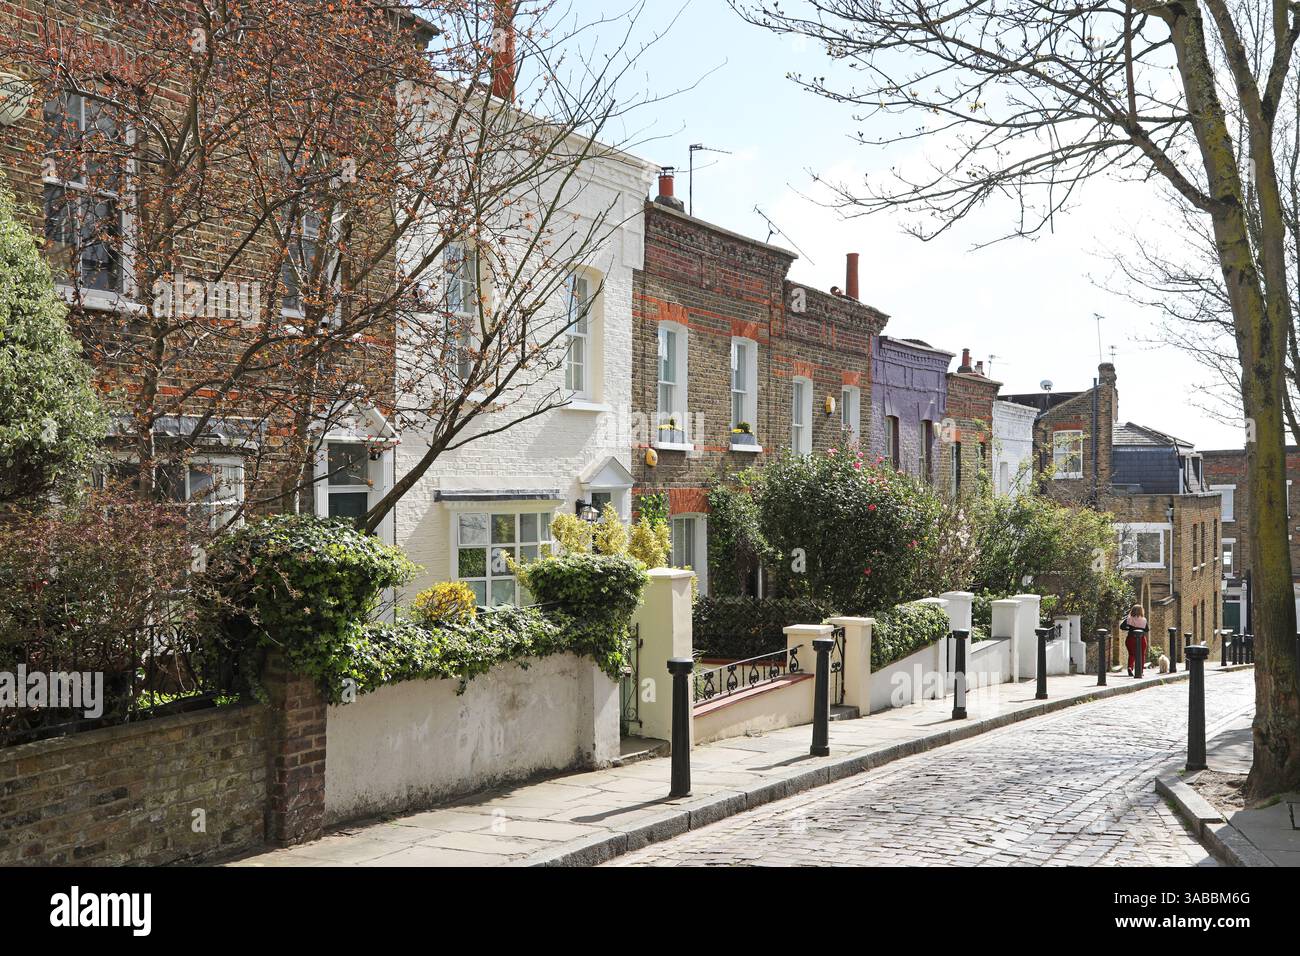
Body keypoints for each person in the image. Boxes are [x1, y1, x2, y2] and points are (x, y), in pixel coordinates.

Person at [1119, 604, 1149, 677]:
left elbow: (1122, 627)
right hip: (1141, 639)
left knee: (1132, 654)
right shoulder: (1144, 619)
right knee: (1141, 655)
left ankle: (1130, 667)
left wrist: (1129, 628)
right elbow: (1146, 629)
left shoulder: (1129, 619)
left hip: (1131, 638)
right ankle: (1140, 671)